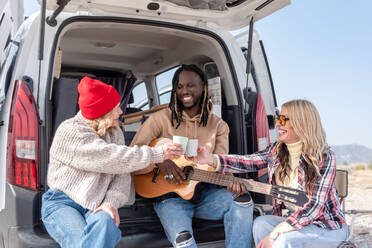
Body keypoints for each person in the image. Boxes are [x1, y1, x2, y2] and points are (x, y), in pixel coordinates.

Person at [41, 76, 183, 248]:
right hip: (63, 202)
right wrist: (157, 154)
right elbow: (111, 158)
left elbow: (122, 176)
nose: (121, 112)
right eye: (115, 108)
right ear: (102, 112)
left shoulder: (114, 132)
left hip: (97, 203)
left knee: (105, 222)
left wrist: (110, 204)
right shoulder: (70, 131)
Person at [190, 99, 348, 248]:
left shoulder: (324, 157)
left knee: (283, 239)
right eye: (278, 118)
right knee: (260, 223)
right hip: (298, 222)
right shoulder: (277, 150)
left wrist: (274, 234)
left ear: (302, 123)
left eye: (284, 120)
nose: (277, 123)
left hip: (327, 226)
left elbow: (313, 209)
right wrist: (211, 159)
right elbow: (248, 161)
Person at [131, 64, 254, 248]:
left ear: (203, 86)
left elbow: (221, 165)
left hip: (205, 194)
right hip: (169, 198)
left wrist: (232, 182)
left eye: (190, 85)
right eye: (179, 87)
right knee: (184, 240)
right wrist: (159, 161)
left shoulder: (219, 126)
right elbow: (131, 158)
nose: (184, 91)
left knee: (243, 200)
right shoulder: (159, 119)